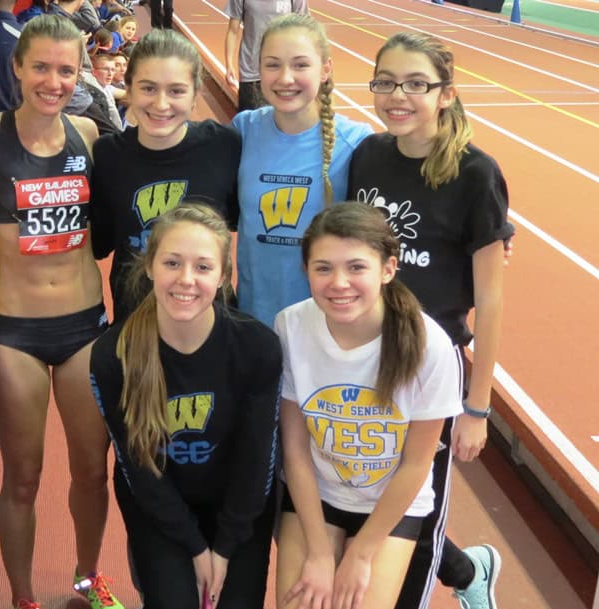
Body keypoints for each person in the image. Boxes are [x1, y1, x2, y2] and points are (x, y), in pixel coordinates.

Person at [347, 31, 512, 609]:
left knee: (416, 515)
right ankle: (468, 571)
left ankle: (448, 583)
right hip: (366, 358)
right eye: (386, 81)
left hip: (431, 377)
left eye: (416, 83)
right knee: (368, 499)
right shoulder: (368, 156)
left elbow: (490, 301)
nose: (399, 95)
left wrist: (477, 406)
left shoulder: (474, 175)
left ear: (444, 93)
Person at [0, 15, 122, 609]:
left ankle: (88, 582)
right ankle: (22, 598)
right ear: (17, 67)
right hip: (14, 335)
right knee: (23, 478)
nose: (53, 81)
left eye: (66, 69)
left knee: (92, 473)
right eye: (41, 67)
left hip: (85, 325)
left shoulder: (87, 132)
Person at [90, 204, 281, 609]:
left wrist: (225, 548)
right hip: (161, 504)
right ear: (149, 267)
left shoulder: (257, 347)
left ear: (224, 276)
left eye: (203, 267)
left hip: (237, 508)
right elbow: (138, 469)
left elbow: (256, 466)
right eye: (172, 263)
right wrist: (195, 549)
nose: (186, 280)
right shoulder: (114, 353)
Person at [274, 201, 463, 609]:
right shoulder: (290, 326)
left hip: (389, 506)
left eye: (356, 267)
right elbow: (295, 449)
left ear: (388, 269)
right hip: (317, 496)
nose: (339, 282)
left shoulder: (431, 345)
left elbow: (417, 463)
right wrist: (321, 553)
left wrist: (361, 555)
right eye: (323, 268)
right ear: (305, 270)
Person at [90, 27, 240, 322]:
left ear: (195, 95)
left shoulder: (224, 145)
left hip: (212, 328)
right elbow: (101, 242)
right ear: (128, 89)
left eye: (176, 91)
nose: (161, 104)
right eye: (148, 88)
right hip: (135, 326)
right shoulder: (108, 155)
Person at [232, 13, 372, 328]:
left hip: (325, 326)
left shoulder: (356, 143)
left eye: (300, 65)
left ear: (325, 69)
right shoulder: (244, 130)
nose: (285, 78)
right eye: (272, 65)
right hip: (253, 321)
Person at [224, 0, 307, 112]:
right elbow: (233, 30)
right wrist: (229, 64)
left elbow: (304, 31)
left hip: (283, 72)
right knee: (251, 124)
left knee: (282, 124)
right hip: (251, 72)